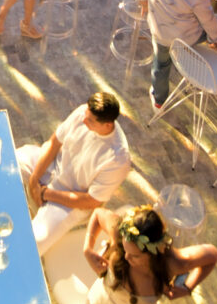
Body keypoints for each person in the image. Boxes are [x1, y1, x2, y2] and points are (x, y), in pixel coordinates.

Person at [77, 206, 217, 304]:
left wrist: (188, 288)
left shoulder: (171, 264)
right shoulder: (121, 232)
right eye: (125, 250)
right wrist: (88, 248)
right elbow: (98, 213)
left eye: (135, 255)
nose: (126, 257)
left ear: (153, 253)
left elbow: (212, 255)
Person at [17, 90, 133, 259]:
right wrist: (34, 179)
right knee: (8, 164)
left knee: (33, 243)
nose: (83, 120)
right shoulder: (83, 113)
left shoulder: (118, 158)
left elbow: (91, 201)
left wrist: (46, 193)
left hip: (70, 201)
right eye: (86, 115)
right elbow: (54, 142)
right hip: (52, 166)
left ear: (108, 125)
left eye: (90, 120)